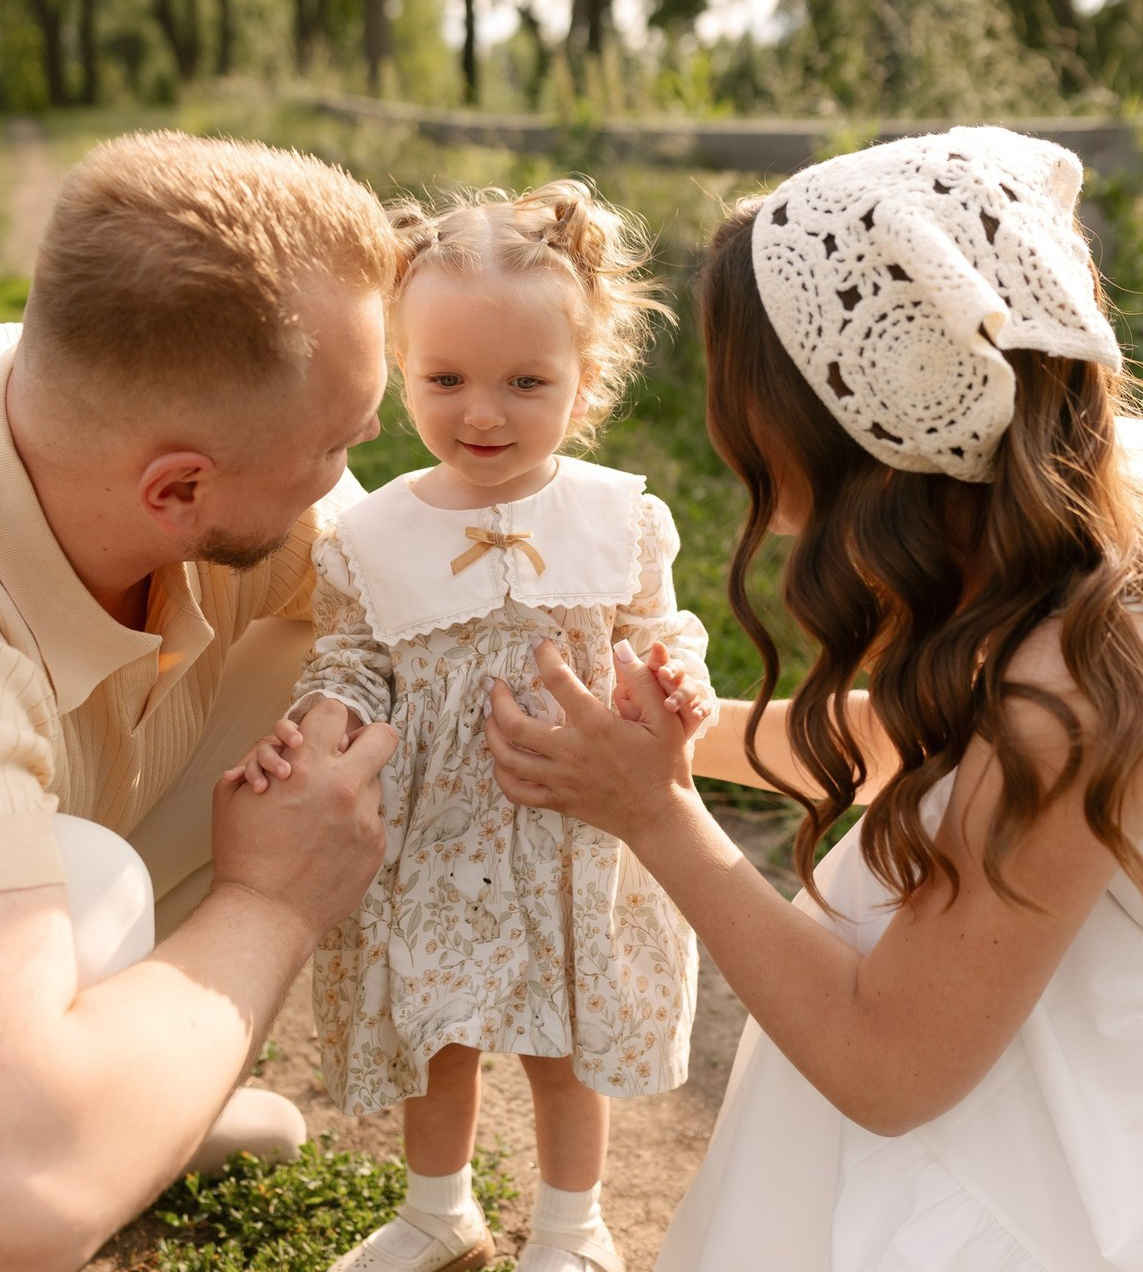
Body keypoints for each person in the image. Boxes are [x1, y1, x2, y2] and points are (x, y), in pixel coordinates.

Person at [485, 126, 1143, 1271]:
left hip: (1011, 1194)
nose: (758, 489)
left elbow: (887, 1067)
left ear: (872, 438)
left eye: (764, 437)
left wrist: (656, 815)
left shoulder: (1076, 692)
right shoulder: (1083, 543)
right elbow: (929, 746)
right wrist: (686, 738)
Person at [0, 129, 402, 1272]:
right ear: (179, 486)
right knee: (87, 886)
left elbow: (432, 618)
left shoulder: (99, 447)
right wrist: (272, 903)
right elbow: (11, 1205)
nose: (356, 469)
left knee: (332, 656)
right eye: (336, 445)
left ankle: (124, 1084)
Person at [232, 178, 715, 1272]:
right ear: (401, 372)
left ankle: (568, 1225)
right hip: (436, 834)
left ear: (584, 383)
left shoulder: (616, 514)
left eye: (523, 382)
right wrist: (323, 713)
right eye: (444, 379)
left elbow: (656, 626)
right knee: (434, 1027)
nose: (481, 413)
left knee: (561, 1040)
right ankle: (436, 1208)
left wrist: (671, 677)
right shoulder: (372, 533)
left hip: (570, 827)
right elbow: (355, 652)